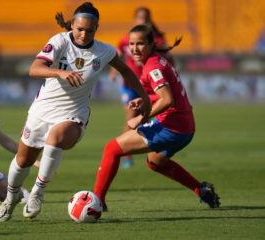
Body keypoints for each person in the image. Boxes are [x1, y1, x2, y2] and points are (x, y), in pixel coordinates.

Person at [0, 2, 152, 222]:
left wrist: (144, 96)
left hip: (74, 113)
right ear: (72, 25)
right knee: (23, 161)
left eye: (89, 30)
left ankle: (37, 194)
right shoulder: (59, 41)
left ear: (96, 28)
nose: (83, 34)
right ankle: (10, 199)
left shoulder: (105, 51)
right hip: (42, 110)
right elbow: (35, 68)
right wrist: (60, 73)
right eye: (79, 29)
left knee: (55, 139)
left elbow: (125, 69)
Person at [93, 24, 220, 212]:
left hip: (172, 127)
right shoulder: (158, 60)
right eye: (132, 44)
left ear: (151, 44)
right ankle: (201, 189)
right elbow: (165, 95)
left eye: (140, 44)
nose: (135, 49)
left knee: (111, 149)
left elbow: (167, 99)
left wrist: (141, 118)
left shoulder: (152, 66)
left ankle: (96, 202)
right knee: (155, 162)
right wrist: (144, 100)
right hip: (185, 128)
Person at [110, 7, 171, 169]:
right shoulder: (126, 40)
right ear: (135, 20)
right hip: (130, 86)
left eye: (145, 18)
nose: (142, 21)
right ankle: (126, 155)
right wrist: (114, 71)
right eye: (139, 18)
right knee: (132, 117)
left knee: (149, 118)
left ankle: (155, 149)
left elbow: (168, 57)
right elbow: (117, 57)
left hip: (151, 86)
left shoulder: (157, 40)